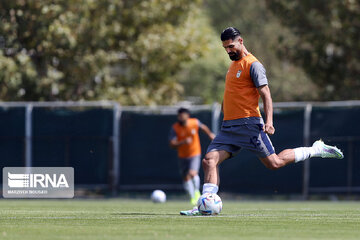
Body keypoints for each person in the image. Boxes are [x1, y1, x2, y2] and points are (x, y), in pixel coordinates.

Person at [180, 27, 344, 215]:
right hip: (228, 128)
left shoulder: (253, 65)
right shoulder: (233, 65)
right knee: (209, 160)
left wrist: (269, 121)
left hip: (249, 125)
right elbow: (231, 92)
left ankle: (315, 149)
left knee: (274, 163)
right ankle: (204, 206)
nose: (228, 51)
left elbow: (266, 95)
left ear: (241, 41)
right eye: (225, 47)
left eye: (231, 46)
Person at [169, 107, 215, 205]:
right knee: (186, 178)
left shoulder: (194, 122)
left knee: (192, 173)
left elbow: (203, 127)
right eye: (179, 115)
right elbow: (172, 144)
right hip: (182, 156)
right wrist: (182, 142)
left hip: (194, 153)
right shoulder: (175, 127)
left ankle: (197, 192)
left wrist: (210, 134)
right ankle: (192, 197)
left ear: (187, 116)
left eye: (182, 115)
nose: (180, 117)